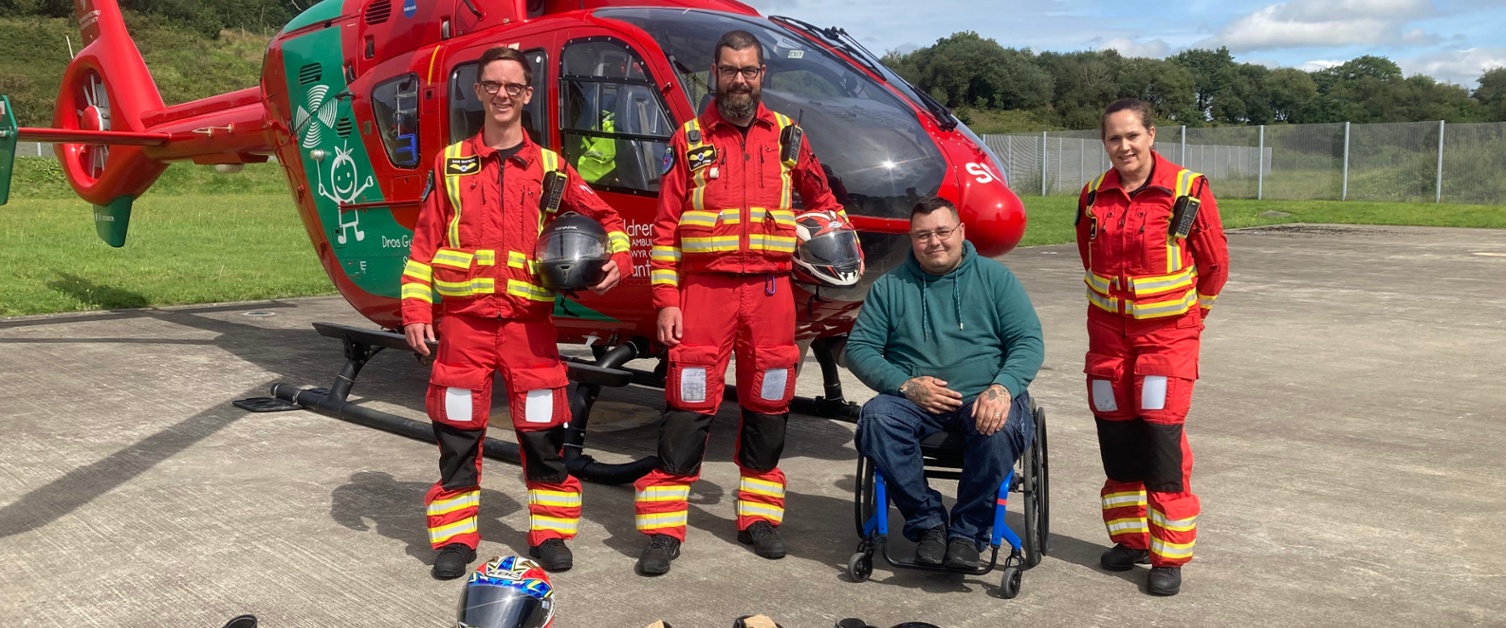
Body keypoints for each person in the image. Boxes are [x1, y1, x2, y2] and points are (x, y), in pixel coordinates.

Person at [400, 47, 632, 580]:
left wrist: (618, 257)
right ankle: (456, 540)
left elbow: (608, 216)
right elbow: (423, 245)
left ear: (528, 95)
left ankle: (549, 533)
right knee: (457, 432)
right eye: (492, 85)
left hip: (530, 327)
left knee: (544, 432)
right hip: (463, 326)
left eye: (514, 86)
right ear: (478, 92)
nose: (502, 94)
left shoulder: (552, 168)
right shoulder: (450, 164)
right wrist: (415, 308)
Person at [634, 29, 852, 576]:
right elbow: (663, 232)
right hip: (703, 294)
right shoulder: (687, 139)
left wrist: (822, 245)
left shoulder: (788, 138)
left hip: (772, 295)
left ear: (762, 76)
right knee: (687, 407)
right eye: (729, 70)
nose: (739, 80)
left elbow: (824, 203)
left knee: (769, 406)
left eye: (749, 71)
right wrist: (666, 300)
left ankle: (759, 519)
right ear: (714, 71)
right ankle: (663, 529)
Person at [1077, 98, 1229, 596]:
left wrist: (1192, 318)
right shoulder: (1093, 196)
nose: (1123, 146)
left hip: (1168, 342)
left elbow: (1214, 267)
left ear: (1151, 135)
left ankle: (1168, 556)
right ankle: (1131, 541)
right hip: (1106, 341)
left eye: (1132, 136)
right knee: (1116, 441)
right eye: (1113, 138)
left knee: (1162, 445)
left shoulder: (1188, 191)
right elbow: (1089, 258)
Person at [846, 197, 1044, 571]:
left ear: (961, 232)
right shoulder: (890, 287)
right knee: (876, 419)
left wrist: (1002, 388)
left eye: (942, 231)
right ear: (912, 239)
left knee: (998, 430)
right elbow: (859, 348)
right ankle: (929, 524)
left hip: (983, 395)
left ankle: (968, 534)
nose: (934, 241)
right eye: (923, 235)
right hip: (916, 401)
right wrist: (904, 385)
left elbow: (1028, 341)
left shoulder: (995, 278)